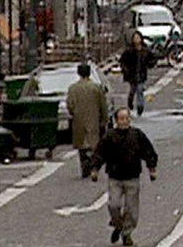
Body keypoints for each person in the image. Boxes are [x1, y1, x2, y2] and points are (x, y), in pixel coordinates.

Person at [90, 108, 158, 246]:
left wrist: (152, 168)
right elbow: (99, 153)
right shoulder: (109, 136)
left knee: (132, 210)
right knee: (113, 205)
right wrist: (95, 168)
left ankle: (127, 234)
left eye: (126, 118)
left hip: (132, 177)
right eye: (121, 118)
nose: (124, 121)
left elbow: (148, 151)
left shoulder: (137, 135)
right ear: (116, 121)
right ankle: (118, 224)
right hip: (115, 177)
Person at [67, 63, 108, 178]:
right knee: (93, 143)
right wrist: (104, 119)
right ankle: (93, 166)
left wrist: (74, 113)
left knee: (81, 146)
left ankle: (85, 167)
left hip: (78, 120)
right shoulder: (96, 88)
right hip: (93, 119)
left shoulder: (73, 88)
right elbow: (103, 105)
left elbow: (70, 105)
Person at [119, 32, 156, 116]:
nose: (137, 40)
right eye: (135, 38)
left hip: (141, 74)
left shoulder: (145, 50)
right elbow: (122, 61)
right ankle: (130, 101)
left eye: (138, 38)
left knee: (140, 90)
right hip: (131, 74)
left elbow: (152, 59)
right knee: (132, 90)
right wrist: (126, 70)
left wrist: (150, 64)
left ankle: (140, 106)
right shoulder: (129, 51)